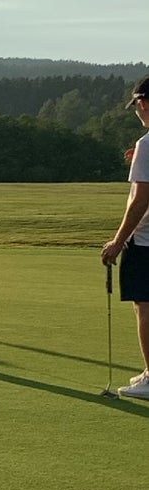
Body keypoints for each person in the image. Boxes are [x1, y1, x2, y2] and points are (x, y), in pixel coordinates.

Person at [100, 77, 149, 397]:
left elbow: (140, 199)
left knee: (145, 308)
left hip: (146, 241)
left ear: (144, 103)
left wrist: (119, 240)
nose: (139, 112)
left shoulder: (148, 144)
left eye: (139, 106)